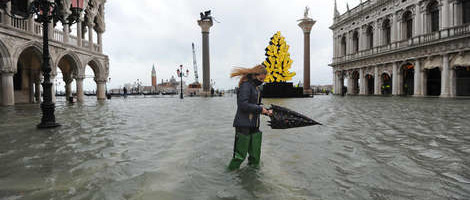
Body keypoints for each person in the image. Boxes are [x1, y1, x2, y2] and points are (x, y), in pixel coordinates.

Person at [228, 64, 272, 171]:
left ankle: (253, 178)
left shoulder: (256, 88)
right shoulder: (246, 85)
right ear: (254, 75)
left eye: (263, 79)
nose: (262, 81)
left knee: (255, 155)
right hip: (243, 125)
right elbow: (243, 104)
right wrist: (260, 109)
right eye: (261, 79)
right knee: (239, 156)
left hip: (254, 124)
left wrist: (266, 111)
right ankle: (230, 177)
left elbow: (256, 105)